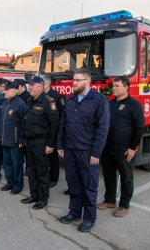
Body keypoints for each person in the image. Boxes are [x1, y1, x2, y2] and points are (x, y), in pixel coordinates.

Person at [57, 68, 109, 232]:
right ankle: (74, 212)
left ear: (87, 82)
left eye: (77, 80)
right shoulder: (71, 100)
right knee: (73, 183)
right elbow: (63, 124)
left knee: (88, 185)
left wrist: (96, 152)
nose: (74, 83)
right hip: (70, 149)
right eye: (73, 80)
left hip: (87, 152)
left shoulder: (99, 100)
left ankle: (89, 218)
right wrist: (60, 144)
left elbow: (103, 128)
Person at [97, 76, 145, 217]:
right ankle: (109, 200)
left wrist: (133, 147)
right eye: (113, 85)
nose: (114, 88)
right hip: (107, 148)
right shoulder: (109, 103)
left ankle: (124, 205)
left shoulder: (134, 105)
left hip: (124, 150)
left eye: (117, 85)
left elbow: (139, 128)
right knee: (109, 175)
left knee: (126, 177)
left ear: (126, 87)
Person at [21, 76, 59, 210]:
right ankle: (34, 195)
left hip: (41, 142)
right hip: (29, 141)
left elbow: (55, 125)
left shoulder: (49, 102)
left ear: (40, 87)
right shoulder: (30, 100)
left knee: (42, 171)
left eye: (32, 85)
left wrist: (50, 144)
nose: (29, 87)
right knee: (31, 170)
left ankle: (43, 198)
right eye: (29, 85)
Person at [0, 80, 27, 194]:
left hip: (15, 142)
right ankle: (9, 183)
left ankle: (17, 186)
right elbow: (1, 121)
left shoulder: (20, 104)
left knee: (17, 165)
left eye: (7, 90)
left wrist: (21, 140)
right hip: (5, 139)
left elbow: (25, 124)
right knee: (6, 164)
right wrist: (0, 134)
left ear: (14, 91)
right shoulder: (5, 102)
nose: (5, 92)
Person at [42, 74, 64, 189]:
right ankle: (46, 175)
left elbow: (60, 115)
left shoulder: (55, 96)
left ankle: (54, 178)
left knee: (53, 156)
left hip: (52, 131)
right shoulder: (41, 96)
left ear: (46, 84)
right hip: (43, 131)